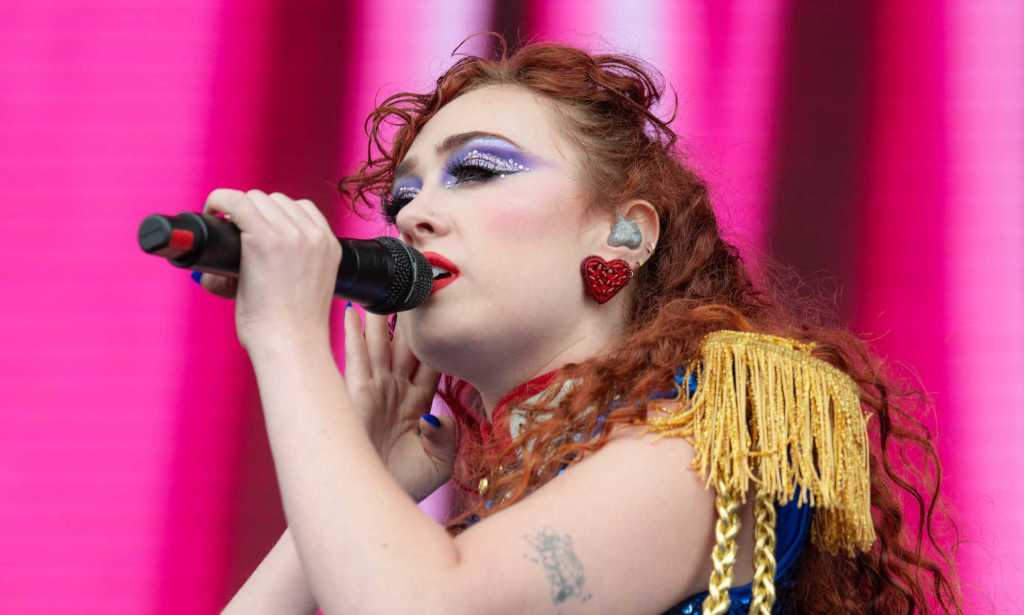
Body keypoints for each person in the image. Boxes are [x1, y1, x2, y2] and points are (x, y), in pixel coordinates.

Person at [203, 36, 962, 614]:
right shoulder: (499, 526)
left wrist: (287, 338)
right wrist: (366, 471)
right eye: (402, 196)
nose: (413, 215)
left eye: (477, 170)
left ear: (625, 235)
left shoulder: (715, 441)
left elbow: (424, 604)